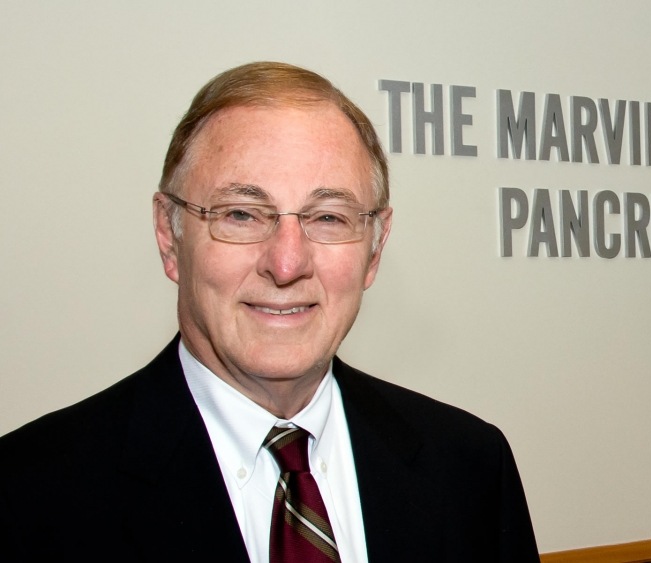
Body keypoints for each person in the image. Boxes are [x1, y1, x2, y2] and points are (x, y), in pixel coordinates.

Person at [0, 62, 539, 562]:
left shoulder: (469, 467)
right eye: (241, 213)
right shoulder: (28, 495)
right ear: (170, 236)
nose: (286, 264)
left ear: (374, 247)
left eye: (328, 217)